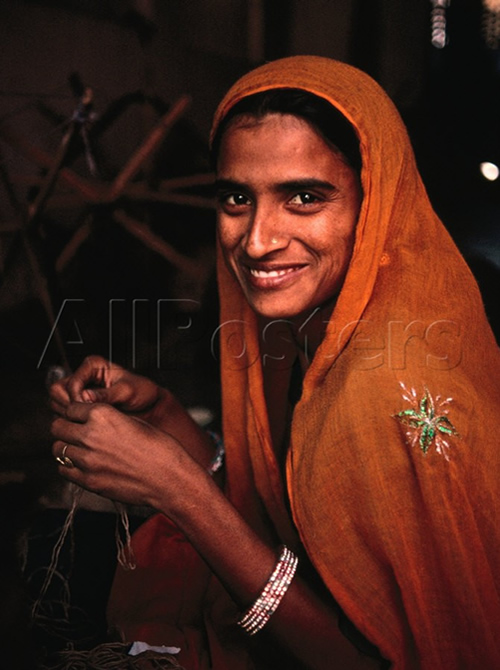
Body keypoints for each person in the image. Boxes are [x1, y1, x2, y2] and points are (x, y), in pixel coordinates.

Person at [50, 56, 500, 669]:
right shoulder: (316, 329)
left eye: (305, 198)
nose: (258, 239)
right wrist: (164, 412)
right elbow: (293, 504)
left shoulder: (387, 390)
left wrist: (181, 492)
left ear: (376, 202)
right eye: (237, 197)